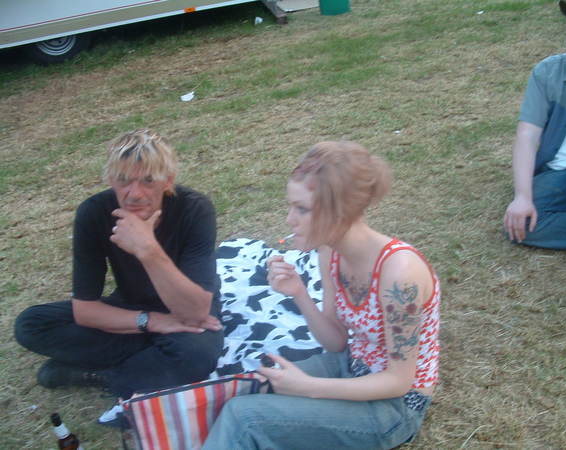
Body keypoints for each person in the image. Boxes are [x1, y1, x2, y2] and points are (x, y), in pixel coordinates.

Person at [203, 141, 441, 449]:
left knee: (244, 418)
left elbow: (399, 381)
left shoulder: (400, 275)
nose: (290, 219)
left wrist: (310, 387)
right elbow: (337, 342)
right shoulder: (331, 253)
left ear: (339, 212)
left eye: (302, 209)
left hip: (395, 406)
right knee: (254, 386)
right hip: (350, 365)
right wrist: (299, 293)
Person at [14, 129, 224, 399]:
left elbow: (195, 312)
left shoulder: (194, 209)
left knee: (196, 356)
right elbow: (85, 310)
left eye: (148, 180)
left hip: (186, 305)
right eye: (124, 180)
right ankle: (152, 354)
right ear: (111, 179)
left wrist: (148, 249)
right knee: (31, 324)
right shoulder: (93, 212)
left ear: (168, 181)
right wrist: (152, 322)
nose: (134, 193)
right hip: (131, 306)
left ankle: (100, 376)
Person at [503, 0, 566, 254]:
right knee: (523, 224)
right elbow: (527, 136)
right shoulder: (548, 73)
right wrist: (522, 197)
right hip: (564, 174)